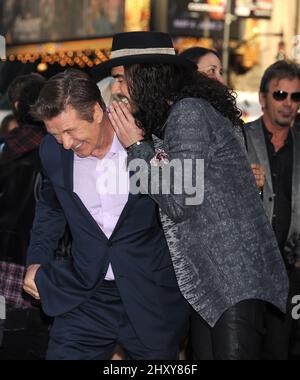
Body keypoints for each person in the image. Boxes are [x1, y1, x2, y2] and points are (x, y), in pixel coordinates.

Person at [95, 31, 289, 360]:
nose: (117, 88)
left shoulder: (189, 114)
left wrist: (136, 147)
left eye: (121, 78)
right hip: (211, 284)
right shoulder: (176, 117)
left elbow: (180, 202)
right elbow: (157, 191)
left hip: (231, 280)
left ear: (144, 75)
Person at [23, 69, 190, 360]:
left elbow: (184, 204)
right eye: (55, 133)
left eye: (70, 131)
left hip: (149, 298)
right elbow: (50, 208)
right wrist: (37, 260)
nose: (64, 143)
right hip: (85, 295)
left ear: (98, 112)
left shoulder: (147, 142)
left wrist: (143, 151)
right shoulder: (52, 151)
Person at [244, 60, 300, 360]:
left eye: (295, 96)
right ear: (263, 97)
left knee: (280, 350)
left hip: (289, 269)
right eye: (280, 94)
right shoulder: (237, 138)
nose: (288, 103)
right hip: (247, 271)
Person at [0, 73, 50, 360]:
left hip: (7, 258)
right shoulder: (61, 149)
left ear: (17, 105)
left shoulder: (6, 150)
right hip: (40, 260)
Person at [179, 46, 266, 191]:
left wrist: (252, 182)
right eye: (211, 71)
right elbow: (188, 184)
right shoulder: (183, 118)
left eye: (220, 72)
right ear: (189, 75)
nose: (220, 79)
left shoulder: (226, 119)